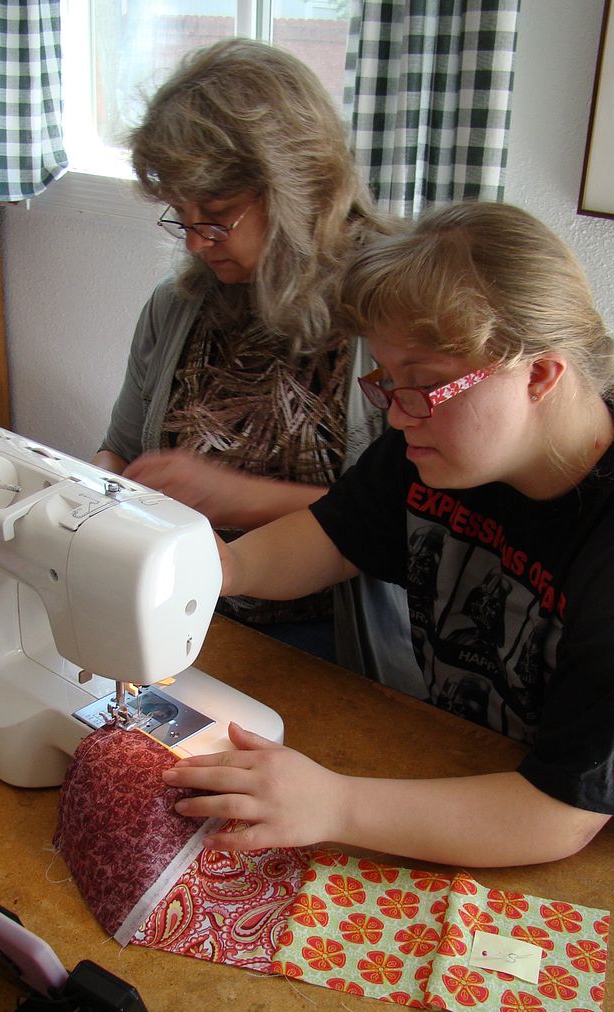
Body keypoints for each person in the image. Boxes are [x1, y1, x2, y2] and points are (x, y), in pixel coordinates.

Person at [159, 201, 614, 868]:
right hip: (475, 775)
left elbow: (559, 815)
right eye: (387, 379)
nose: (399, 411)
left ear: (539, 374)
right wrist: (223, 569)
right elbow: (333, 536)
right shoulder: (440, 445)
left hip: (608, 855)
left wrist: (334, 804)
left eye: (425, 385)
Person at [94, 38, 413, 677]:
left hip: (327, 639)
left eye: (214, 217)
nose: (195, 242)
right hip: (185, 612)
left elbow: (410, 524)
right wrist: (102, 491)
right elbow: (120, 447)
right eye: (179, 218)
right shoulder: (176, 305)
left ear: (297, 187)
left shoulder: (389, 315)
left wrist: (235, 498)